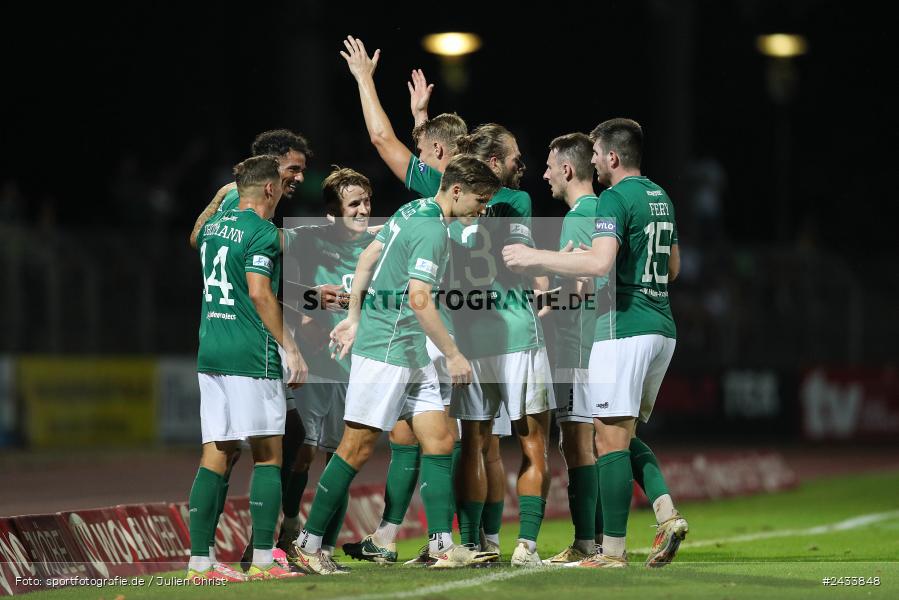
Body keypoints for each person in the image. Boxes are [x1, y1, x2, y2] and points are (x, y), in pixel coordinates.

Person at [338, 36, 512, 564]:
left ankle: (430, 539)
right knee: (456, 438)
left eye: (423, 149)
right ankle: (451, 540)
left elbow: (379, 136)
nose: (416, 157)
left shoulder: (439, 190)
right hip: (482, 323)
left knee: (423, 438)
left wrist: (364, 80)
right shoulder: (494, 194)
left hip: (435, 326)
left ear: (438, 155)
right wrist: (422, 120)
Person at [288, 155, 502, 574]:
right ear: (457, 190)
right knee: (356, 447)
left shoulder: (412, 209)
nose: (482, 210)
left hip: (409, 349)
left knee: (440, 439)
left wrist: (354, 316)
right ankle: (307, 545)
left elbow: (368, 257)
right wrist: (453, 354)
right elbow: (420, 299)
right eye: (480, 200)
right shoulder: (432, 230)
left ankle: (441, 545)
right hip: (387, 348)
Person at [502, 118, 688, 568]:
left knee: (606, 442)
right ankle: (664, 515)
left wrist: (534, 257)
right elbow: (673, 268)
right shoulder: (660, 196)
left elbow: (600, 263)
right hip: (662, 326)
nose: (595, 161)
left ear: (613, 157)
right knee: (618, 437)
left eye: (599, 154)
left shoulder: (611, 199)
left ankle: (609, 549)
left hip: (620, 331)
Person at [188, 155, 307, 581]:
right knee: (269, 455)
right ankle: (263, 561)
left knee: (215, 453)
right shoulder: (261, 232)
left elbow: (196, 235)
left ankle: (200, 563)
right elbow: (259, 293)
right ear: (270, 189)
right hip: (251, 354)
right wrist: (290, 347)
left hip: (211, 352)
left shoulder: (212, 229)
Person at [275, 167, 376, 573]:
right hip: (315, 366)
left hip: (357, 369)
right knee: (302, 451)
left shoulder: (378, 245)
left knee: (342, 458)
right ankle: (287, 529)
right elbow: (274, 283)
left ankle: (325, 550)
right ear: (332, 213)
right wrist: (311, 300)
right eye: (354, 204)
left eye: (367, 202)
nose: (364, 210)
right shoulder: (308, 238)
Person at [536, 133, 604, 565]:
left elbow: (581, 289)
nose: (544, 175)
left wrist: (541, 295)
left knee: (577, 444)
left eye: (549, 167)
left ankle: (587, 541)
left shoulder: (578, 218)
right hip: (605, 342)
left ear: (566, 169)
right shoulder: (608, 212)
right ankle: (602, 538)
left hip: (578, 345)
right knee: (604, 442)